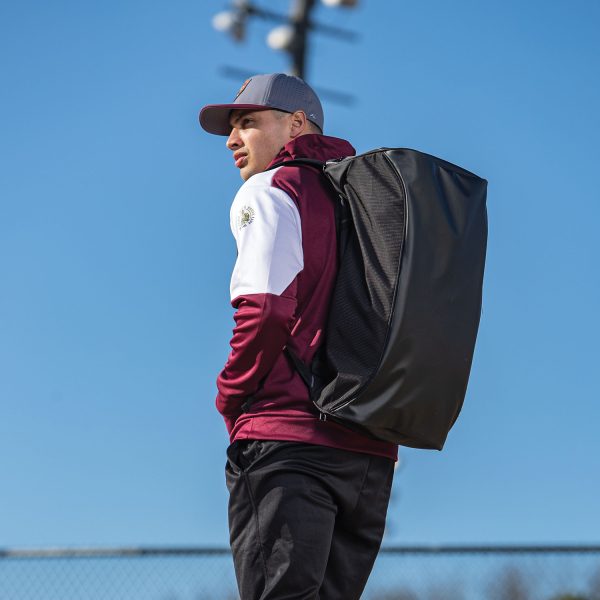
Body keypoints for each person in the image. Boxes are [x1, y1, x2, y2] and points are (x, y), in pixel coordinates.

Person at [199, 73, 398, 600]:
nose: (232, 140)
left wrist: (231, 395)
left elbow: (265, 310)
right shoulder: (364, 200)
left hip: (287, 443)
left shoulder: (268, 191)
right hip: (369, 455)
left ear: (295, 124)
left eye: (247, 123)